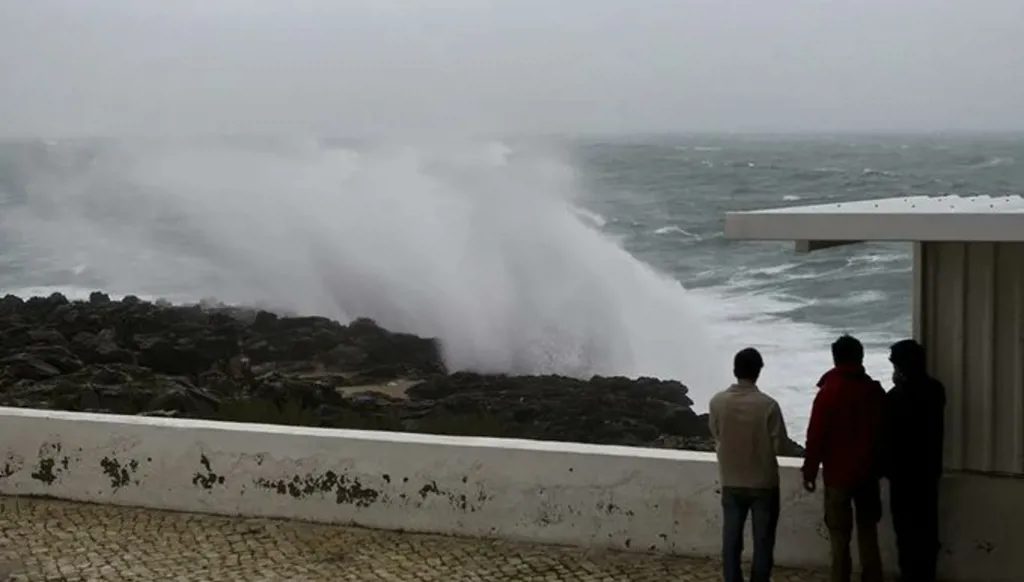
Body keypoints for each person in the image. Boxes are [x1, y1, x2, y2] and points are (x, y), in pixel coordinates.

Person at [802, 335, 887, 582]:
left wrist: (809, 471)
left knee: (839, 537)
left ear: (835, 358)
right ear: (861, 357)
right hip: (868, 474)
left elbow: (815, 436)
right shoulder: (873, 391)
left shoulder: (829, 392)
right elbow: (885, 433)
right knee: (868, 533)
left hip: (838, 475)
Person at [709, 347, 790, 582]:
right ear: (758, 372)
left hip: (731, 479)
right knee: (763, 542)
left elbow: (715, 433)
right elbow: (781, 447)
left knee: (731, 540)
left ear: (735, 370)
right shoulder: (769, 406)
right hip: (763, 482)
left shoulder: (717, 402)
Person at [886, 339, 945, 582]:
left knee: (906, 532)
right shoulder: (936, 389)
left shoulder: (896, 397)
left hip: (903, 476)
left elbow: (889, 434)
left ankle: (910, 576)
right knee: (927, 530)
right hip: (929, 471)